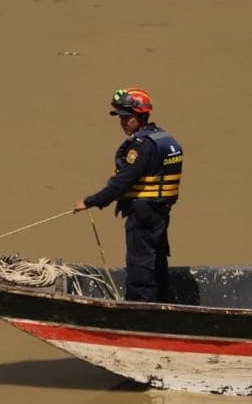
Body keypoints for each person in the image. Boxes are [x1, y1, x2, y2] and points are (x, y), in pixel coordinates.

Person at [73, 87, 183, 302]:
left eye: (127, 117)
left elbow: (123, 181)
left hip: (142, 211)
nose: (123, 122)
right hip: (159, 210)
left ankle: (140, 307)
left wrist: (90, 201)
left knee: (140, 262)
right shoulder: (163, 138)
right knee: (157, 258)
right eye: (120, 118)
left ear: (140, 116)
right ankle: (161, 302)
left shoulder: (142, 146)